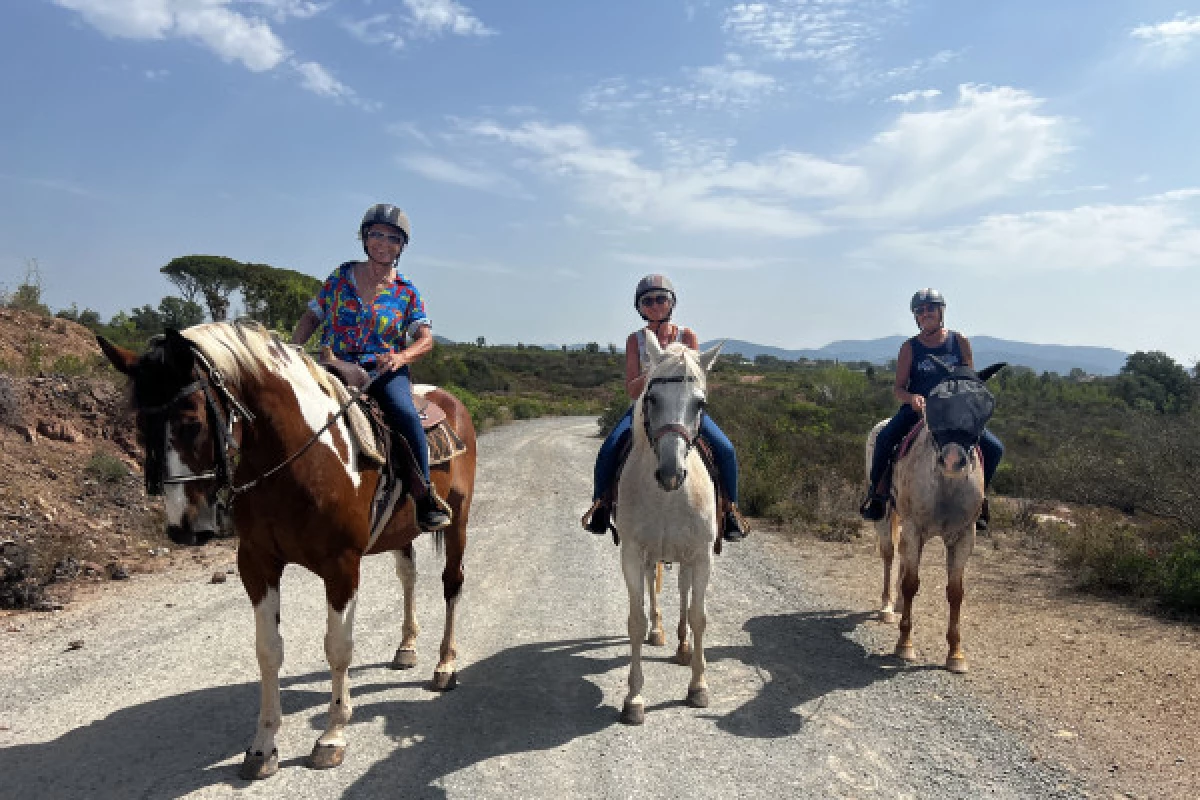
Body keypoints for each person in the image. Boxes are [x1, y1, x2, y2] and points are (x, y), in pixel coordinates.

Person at [291, 203, 451, 532]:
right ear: (364, 238)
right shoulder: (339, 278)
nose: (383, 243)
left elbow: (426, 339)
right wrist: (294, 349)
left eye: (393, 238)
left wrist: (401, 357)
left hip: (383, 371)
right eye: (376, 234)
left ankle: (424, 496)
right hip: (332, 364)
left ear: (402, 247)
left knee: (406, 415)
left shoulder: (406, 292)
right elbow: (311, 317)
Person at [582, 274, 746, 541]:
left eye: (661, 298)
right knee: (609, 448)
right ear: (640, 307)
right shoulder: (635, 340)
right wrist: (658, 371)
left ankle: (730, 511)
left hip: (683, 409)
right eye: (648, 300)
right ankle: (600, 506)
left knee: (725, 449)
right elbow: (633, 390)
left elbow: (698, 380)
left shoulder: (687, 335)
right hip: (645, 408)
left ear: (671, 303)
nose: (655, 304)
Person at [859, 288, 1004, 530]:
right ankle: (878, 495)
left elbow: (969, 381)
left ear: (941, 311)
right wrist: (912, 398)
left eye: (931, 309)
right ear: (916, 317)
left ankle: (979, 500)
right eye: (921, 310)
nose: (926, 313)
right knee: (884, 439)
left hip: (953, 413)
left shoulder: (959, 341)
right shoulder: (910, 348)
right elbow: (898, 388)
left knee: (994, 449)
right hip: (919, 410)